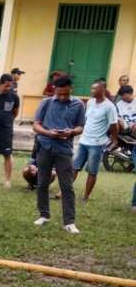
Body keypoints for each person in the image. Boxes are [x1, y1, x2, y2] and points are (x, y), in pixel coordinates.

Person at [32, 75, 86, 232]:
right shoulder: (46, 102)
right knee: (42, 183)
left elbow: (80, 127)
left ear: (71, 89)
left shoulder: (78, 104)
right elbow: (36, 125)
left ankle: (69, 222)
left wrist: (71, 132)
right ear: (54, 90)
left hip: (64, 149)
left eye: (66, 94)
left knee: (67, 186)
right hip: (45, 146)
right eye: (59, 93)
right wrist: (49, 133)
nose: (62, 97)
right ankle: (44, 215)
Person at [72, 80, 119, 202]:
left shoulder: (109, 107)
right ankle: (64, 192)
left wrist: (114, 141)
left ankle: (86, 196)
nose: (91, 90)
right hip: (83, 141)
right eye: (91, 88)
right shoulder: (90, 102)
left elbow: (114, 125)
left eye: (94, 89)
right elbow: (87, 120)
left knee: (92, 171)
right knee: (74, 167)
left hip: (97, 144)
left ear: (102, 91)